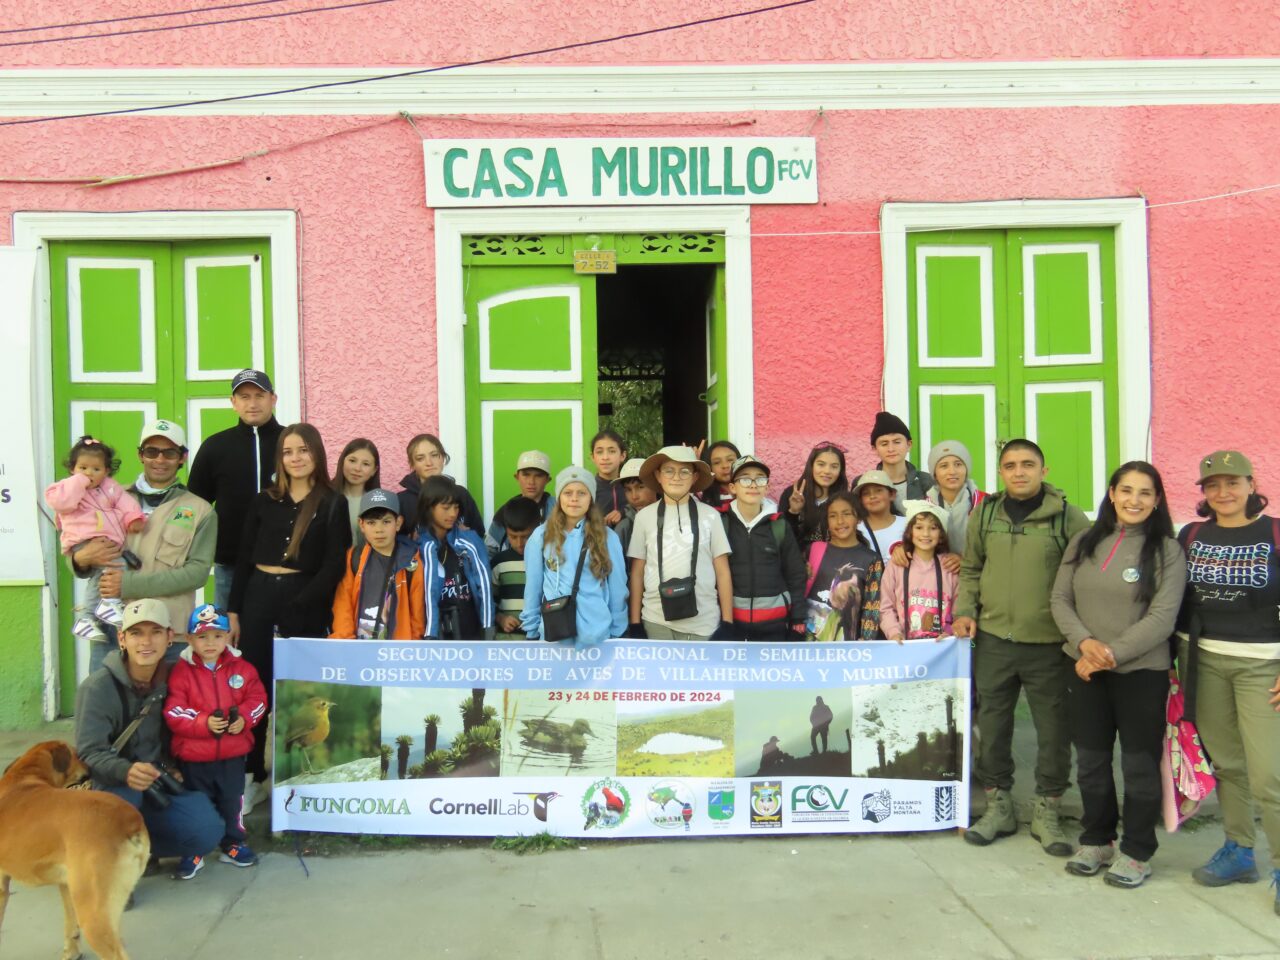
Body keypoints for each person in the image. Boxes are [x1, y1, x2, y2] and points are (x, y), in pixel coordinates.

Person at [1050, 462, 1185, 890]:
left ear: (1157, 500)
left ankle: (1137, 850)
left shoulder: (1168, 550)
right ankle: (1098, 839)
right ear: (1111, 494)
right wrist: (1085, 644)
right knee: (1090, 761)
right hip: (1084, 669)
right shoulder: (1083, 541)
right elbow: (1059, 599)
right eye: (1126, 490)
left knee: (1139, 765)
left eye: (1145, 493)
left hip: (1141, 672)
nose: (1134, 500)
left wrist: (1108, 653)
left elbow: (1163, 618)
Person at [953, 438, 1090, 855]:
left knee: (1052, 733)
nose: (1019, 472)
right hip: (994, 641)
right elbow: (972, 568)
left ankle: (1047, 811)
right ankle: (999, 806)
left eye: (1027, 464)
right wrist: (965, 609)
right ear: (1000, 472)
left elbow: (1085, 580)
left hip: (1049, 645)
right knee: (993, 728)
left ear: (1043, 470)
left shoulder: (1069, 518)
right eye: (1010, 465)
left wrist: (1081, 636)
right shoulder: (986, 513)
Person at [1175, 450, 1280, 914]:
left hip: (1263, 665)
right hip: (1204, 661)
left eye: (1232, 483)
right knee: (1228, 764)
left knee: (1269, 775)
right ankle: (1240, 850)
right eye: (1213, 485)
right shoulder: (1192, 535)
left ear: (1251, 484)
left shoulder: (1275, 532)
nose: (1223, 492)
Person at [229, 422, 350, 802]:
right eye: (287, 452)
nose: (295, 458)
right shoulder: (264, 500)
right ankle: (254, 776)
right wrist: (234, 610)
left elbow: (334, 564)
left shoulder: (332, 503)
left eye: (303, 450)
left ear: (316, 454)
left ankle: (299, 781)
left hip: (305, 601)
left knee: (300, 694)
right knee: (256, 689)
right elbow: (243, 558)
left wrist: (302, 601)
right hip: (259, 597)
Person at [74, 599, 223, 881]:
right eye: (136, 633)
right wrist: (126, 771)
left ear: (169, 637)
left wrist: (172, 764)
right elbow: (89, 752)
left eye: (155, 632)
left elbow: (180, 729)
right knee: (124, 798)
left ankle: (140, 850)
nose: (146, 642)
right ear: (122, 638)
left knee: (206, 830)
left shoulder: (177, 679)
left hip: (156, 781)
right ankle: (108, 867)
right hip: (110, 786)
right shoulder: (97, 688)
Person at [72, 420, 218, 675]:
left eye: (169, 452)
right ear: (140, 455)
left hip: (169, 631)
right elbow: (77, 542)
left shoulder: (201, 510)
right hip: (114, 628)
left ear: (182, 457)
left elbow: (197, 573)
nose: (159, 459)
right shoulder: (107, 499)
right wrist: (79, 559)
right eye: (151, 451)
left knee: (162, 711)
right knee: (105, 706)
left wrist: (129, 585)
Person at [164, 604, 268, 874]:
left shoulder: (243, 669)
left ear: (228, 636)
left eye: (217, 636)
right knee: (198, 804)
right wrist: (203, 723)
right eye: (202, 636)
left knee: (233, 802)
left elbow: (258, 700)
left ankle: (233, 843)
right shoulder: (180, 672)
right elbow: (174, 711)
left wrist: (244, 719)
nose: (210, 643)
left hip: (233, 756)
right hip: (194, 758)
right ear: (189, 639)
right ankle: (194, 850)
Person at [186, 369, 284, 610]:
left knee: (281, 641)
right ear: (233, 403)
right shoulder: (215, 446)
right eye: (244, 396)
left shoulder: (291, 443)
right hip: (229, 565)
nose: (252, 403)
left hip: (285, 565)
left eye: (259, 396)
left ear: (273, 399)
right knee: (229, 641)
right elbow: (195, 505)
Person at [626, 446, 734, 641]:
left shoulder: (711, 516)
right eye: (669, 470)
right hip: (655, 621)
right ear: (658, 475)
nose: (676, 477)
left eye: (684, 471)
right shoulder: (644, 517)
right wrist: (635, 623)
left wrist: (727, 621)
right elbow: (637, 572)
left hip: (703, 623)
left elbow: (723, 571)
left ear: (694, 477)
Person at [46, 436, 145, 635]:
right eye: (83, 468)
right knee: (116, 567)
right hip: (82, 540)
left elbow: (125, 503)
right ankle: (108, 604)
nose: (89, 473)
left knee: (102, 576)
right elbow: (61, 503)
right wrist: (78, 481)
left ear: (107, 471)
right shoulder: (66, 488)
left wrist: (134, 518)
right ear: (72, 468)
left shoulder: (110, 487)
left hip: (105, 541)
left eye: (96, 469)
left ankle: (87, 619)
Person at [521, 466, 628, 646]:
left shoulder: (608, 537)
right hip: (554, 637)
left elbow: (618, 589)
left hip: (598, 637)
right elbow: (533, 588)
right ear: (559, 497)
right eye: (568, 492)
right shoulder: (540, 536)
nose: (574, 499)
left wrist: (617, 632)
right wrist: (532, 631)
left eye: (582, 493)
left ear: (591, 498)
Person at [720, 455, 806, 641]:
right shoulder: (720, 523)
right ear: (733, 487)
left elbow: (796, 574)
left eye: (760, 478)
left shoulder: (779, 525)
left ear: (767, 487)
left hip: (775, 625)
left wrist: (798, 618)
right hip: (730, 623)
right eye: (744, 479)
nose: (753, 484)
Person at [330, 489, 426, 640]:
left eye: (386, 522)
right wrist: (344, 642)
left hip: (398, 653)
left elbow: (418, 611)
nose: (379, 530)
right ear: (361, 525)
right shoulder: (353, 557)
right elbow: (343, 604)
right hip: (359, 651)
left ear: (398, 523)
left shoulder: (411, 560)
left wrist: (413, 648)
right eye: (371, 523)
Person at [417, 475, 494, 640]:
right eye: (445, 508)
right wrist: (430, 635)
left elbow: (485, 586)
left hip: (470, 629)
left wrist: (488, 630)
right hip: (431, 634)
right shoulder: (418, 546)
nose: (452, 514)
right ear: (428, 507)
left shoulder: (470, 541)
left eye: (456, 507)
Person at [804, 492, 881, 642]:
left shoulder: (871, 559)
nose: (840, 521)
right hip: (808, 645)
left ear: (858, 518)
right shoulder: (812, 551)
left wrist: (867, 639)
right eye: (833, 516)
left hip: (850, 649)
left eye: (846, 514)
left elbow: (873, 605)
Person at [880, 501, 958, 643]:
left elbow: (958, 607)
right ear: (910, 532)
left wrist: (950, 631)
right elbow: (885, 607)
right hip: (904, 647)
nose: (925, 534)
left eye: (933, 528)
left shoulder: (949, 567)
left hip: (942, 646)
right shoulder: (897, 565)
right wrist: (894, 633)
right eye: (919, 527)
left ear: (941, 535)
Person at [396, 433, 484, 537]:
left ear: (443, 457)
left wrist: (468, 535)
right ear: (412, 464)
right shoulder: (401, 500)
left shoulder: (461, 493)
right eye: (420, 458)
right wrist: (410, 540)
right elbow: (394, 542)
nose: (429, 463)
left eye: (434, 455)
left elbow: (479, 532)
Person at [856, 411, 932, 511]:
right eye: (884, 444)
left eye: (897, 442)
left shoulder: (926, 481)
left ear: (909, 445)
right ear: (874, 449)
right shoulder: (863, 483)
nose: (891, 449)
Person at [485, 450, 553, 558]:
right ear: (517, 477)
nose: (531, 481)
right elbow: (490, 551)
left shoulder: (558, 511)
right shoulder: (505, 512)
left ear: (547, 480)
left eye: (538, 476)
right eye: (526, 475)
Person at [925, 439, 988, 556]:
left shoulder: (986, 503)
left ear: (966, 469)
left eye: (958, 464)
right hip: (939, 571)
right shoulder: (924, 507)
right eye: (944, 466)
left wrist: (964, 559)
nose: (952, 471)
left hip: (978, 571)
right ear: (935, 474)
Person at [780, 442, 848, 544]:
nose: (827, 471)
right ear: (811, 466)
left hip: (832, 558)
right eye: (821, 464)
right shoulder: (792, 494)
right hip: (797, 559)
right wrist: (793, 512)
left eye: (834, 466)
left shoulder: (844, 500)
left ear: (840, 470)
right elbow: (781, 538)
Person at [493, 497, 540, 640]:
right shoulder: (498, 562)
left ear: (538, 529)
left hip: (541, 644)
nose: (519, 543)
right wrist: (501, 618)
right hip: (506, 644)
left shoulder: (547, 561)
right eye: (513, 537)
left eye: (526, 537)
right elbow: (489, 603)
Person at [333, 438, 381, 552]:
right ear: (342, 461)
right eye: (352, 460)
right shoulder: (325, 497)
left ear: (374, 470)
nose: (357, 468)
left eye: (365, 464)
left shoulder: (379, 503)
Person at [853, 470, 908, 564]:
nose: (872, 496)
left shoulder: (908, 524)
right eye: (866, 493)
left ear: (892, 494)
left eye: (878, 490)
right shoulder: (855, 529)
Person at [614, 457, 656, 557]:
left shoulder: (674, 517)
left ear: (655, 484)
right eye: (628, 490)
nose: (634, 496)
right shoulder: (623, 529)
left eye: (640, 487)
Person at [590, 430, 627, 527]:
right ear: (593, 457)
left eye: (612, 451)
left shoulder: (631, 486)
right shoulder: (588, 489)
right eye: (599, 452)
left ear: (622, 456)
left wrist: (622, 512)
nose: (605, 457)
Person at [699, 440, 741, 510]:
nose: (725, 466)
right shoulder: (702, 495)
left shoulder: (750, 489)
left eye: (730, 460)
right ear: (710, 467)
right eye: (717, 462)